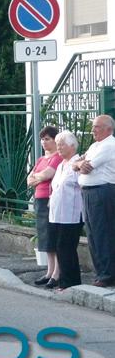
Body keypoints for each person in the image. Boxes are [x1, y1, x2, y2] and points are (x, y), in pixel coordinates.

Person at [73, 115, 115, 287]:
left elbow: (88, 167)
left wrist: (80, 164)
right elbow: (76, 164)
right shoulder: (94, 146)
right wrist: (78, 164)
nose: (93, 130)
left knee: (102, 233)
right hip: (89, 192)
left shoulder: (109, 145)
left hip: (102, 191)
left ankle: (106, 275)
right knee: (92, 233)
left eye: (97, 127)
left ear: (108, 129)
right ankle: (101, 273)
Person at [27, 126, 62, 288]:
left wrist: (37, 177)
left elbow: (48, 174)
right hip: (39, 199)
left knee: (52, 235)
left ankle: (57, 273)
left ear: (55, 140)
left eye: (47, 139)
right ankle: (49, 271)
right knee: (45, 237)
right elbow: (29, 179)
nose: (44, 142)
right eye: (42, 139)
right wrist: (38, 178)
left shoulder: (57, 158)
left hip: (50, 200)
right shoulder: (41, 159)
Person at [49, 131, 83, 290]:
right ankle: (66, 281)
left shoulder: (78, 163)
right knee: (60, 247)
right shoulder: (61, 165)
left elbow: (81, 184)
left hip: (71, 213)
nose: (59, 147)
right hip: (57, 213)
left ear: (72, 145)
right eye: (57, 144)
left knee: (67, 247)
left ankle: (70, 282)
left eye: (62, 144)